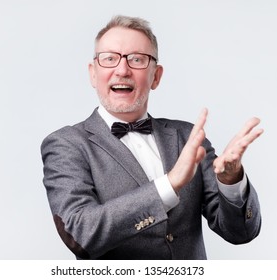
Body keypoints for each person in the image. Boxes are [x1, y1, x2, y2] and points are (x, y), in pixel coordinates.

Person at [41, 15, 264, 260]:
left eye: (137, 59)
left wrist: (231, 180)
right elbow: (81, 234)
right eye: (109, 59)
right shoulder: (66, 144)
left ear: (155, 76)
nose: (123, 70)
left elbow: (240, 233)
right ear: (93, 74)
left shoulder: (188, 137)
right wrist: (169, 185)